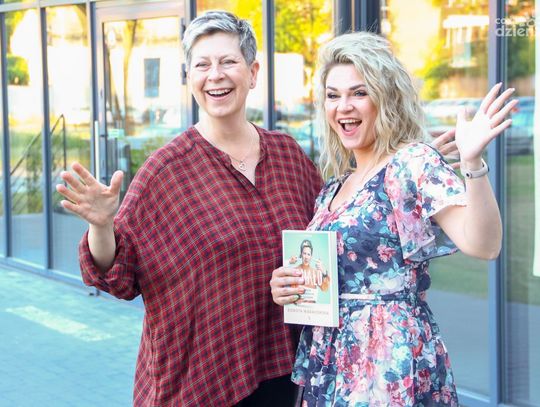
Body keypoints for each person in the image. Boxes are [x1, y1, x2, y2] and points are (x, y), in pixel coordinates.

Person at [56, 11, 323, 406]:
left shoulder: (288, 156)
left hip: (284, 372)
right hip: (200, 381)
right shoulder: (165, 171)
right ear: (189, 77)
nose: (215, 75)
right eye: (202, 65)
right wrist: (101, 225)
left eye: (228, 61)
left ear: (252, 73)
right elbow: (117, 275)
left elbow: (327, 236)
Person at [269, 31, 514, 406]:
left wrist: (472, 162)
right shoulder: (333, 188)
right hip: (331, 359)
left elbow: (484, 244)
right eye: (333, 96)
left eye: (359, 93)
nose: (343, 107)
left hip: (388, 361)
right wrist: (288, 285)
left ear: (385, 98)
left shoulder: (413, 163)